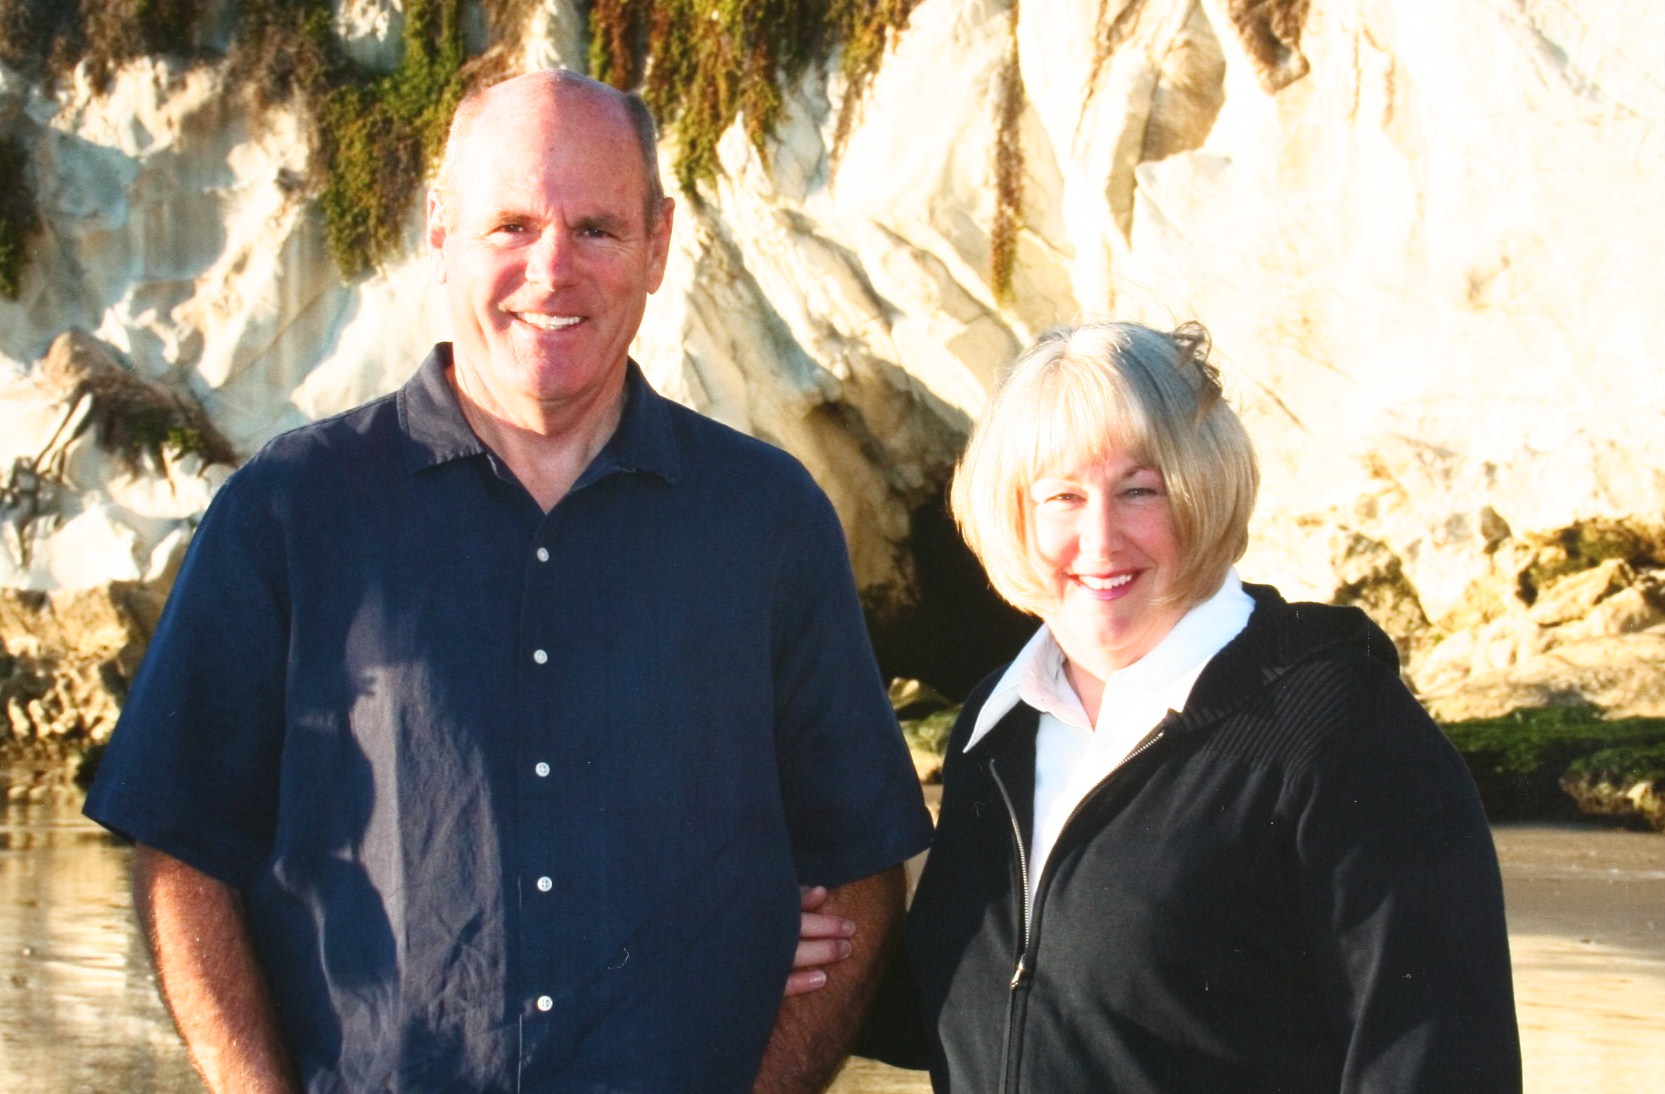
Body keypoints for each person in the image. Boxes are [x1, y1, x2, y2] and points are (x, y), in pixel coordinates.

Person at [83, 69, 931, 1093]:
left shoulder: (768, 521)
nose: (552, 269)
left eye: (598, 230)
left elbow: (861, 861)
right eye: (512, 225)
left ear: (659, 245)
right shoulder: (289, 510)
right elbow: (181, 849)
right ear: (440, 235)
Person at [862, 320, 1521, 1090]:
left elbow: (1437, 1062)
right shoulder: (999, 725)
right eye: (1062, 497)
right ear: (1013, 515)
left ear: (1204, 491)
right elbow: (998, 1008)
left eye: (1139, 491)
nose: (1100, 537)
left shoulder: (1339, 731)